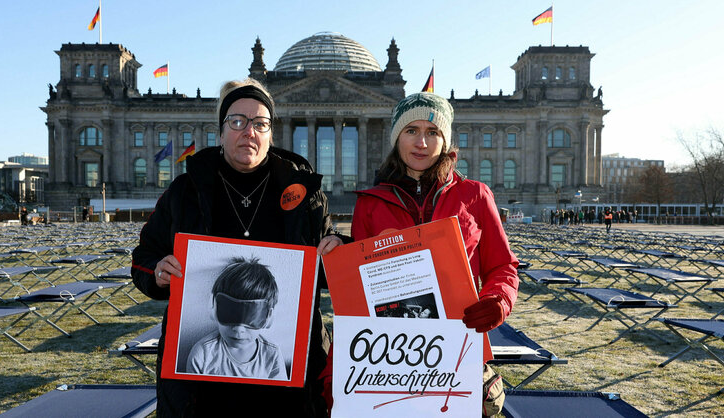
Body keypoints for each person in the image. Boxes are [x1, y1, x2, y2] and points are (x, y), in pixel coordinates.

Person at [131, 78, 345, 417]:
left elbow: (326, 269)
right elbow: (143, 257)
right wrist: (158, 272)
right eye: (237, 121)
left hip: (289, 386)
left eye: (260, 123)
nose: (249, 131)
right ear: (220, 132)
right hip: (204, 393)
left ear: (271, 132)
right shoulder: (185, 191)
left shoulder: (305, 194)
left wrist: (338, 252)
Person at [325, 92, 519, 413]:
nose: (422, 143)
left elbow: (503, 266)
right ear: (396, 137)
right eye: (411, 131)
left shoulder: (475, 195)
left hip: (456, 348)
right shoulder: (370, 203)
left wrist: (498, 299)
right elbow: (362, 293)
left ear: (445, 139)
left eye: (432, 132)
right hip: (391, 353)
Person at [184, 257, 286, 380]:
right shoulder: (202, 355)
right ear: (214, 308)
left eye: (252, 316)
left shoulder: (272, 355)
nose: (238, 329)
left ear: (268, 317)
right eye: (230, 312)